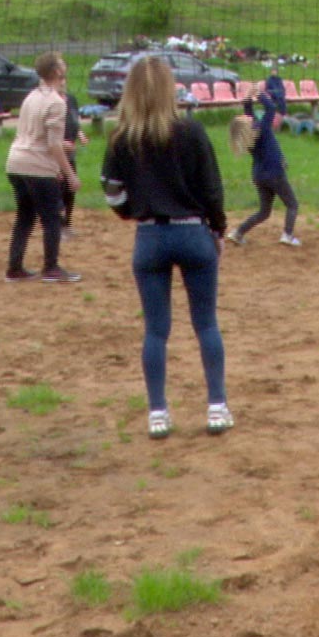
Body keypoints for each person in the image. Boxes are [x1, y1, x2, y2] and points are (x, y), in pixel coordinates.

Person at [100, 56, 233, 439]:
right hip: (193, 234)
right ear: (168, 88)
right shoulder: (191, 132)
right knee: (206, 323)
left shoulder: (123, 138)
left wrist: (130, 212)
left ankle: (158, 412)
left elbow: (111, 191)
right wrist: (219, 230)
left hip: (150, 238)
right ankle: (217, 407)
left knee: (156, 331)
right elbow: (212, 188)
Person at [4, 54, 79, 285]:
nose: (65, 65)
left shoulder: (31, 96)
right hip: (37, 166)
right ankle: (51, 268)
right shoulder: (57, 102)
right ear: (56, 72)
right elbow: (54, 145)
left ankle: (14, 268)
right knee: (52, 218)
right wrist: (70, 174)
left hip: (15, 163)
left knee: (25, 216)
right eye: (61, 63)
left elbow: (38, 136)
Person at [226, 91, 301, 248]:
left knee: (264, 212)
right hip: (274, 173)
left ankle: (238, 232)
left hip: (259, 175)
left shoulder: (249, 136)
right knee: (292, 204)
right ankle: (287, 235)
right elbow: (271, 109)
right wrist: (258, 93)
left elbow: (249, 111)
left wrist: (248, 97)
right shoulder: (262, 128)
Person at [59, 85, 88, 237]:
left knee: (70, 188)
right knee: (58, 188)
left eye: (64, 78)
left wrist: (80, 133)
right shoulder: (51, 102)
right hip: (54, 153)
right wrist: (59, 143)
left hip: (70, 152)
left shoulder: (71, 99)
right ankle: (58, 226)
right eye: (60, 78)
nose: (63, 82)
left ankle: (67, 224)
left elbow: (74, 120)